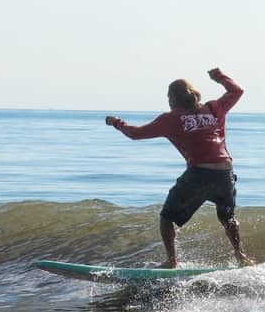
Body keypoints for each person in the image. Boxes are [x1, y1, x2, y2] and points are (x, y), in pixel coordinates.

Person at [105, 68, 254, 268]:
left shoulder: (171, 119)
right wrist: (219, 76)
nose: (167, 100)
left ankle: (171, 261)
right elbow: (237, 91)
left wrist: (117, 123)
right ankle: (240, 256)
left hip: (200, 174)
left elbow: (135, 134)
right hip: (225, 173)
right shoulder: (214, 108)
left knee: (166, 217)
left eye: (168, 96)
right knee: (228, 218)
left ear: (174, 98)